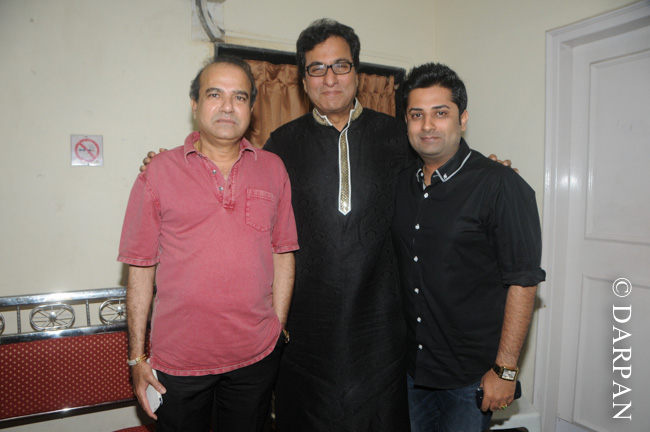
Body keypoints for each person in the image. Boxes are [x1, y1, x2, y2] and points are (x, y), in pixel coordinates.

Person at [117, 55, 299, 432]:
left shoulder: (273, 168)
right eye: (215, 94)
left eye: (239, 97)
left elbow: (283, 251)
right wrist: (136, 358)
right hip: (178, 364)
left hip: (257, 358)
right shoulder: (159, 172)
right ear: (195, 104)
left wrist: (278, 327)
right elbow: (139, 268)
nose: (228, 106)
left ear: (251, 107)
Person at [262, 19, 414, 431]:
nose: (330, 79)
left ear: (357, 72)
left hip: (381, 334)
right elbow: (238, 196)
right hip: (305, 337)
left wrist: (490, 173)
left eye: (340, 66)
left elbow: (446, 178)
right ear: (303, 79)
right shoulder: (280, 145)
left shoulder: (399, 137)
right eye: (317, 68)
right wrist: (175, 167)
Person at [391, 62, 546, 432]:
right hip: (413, 370)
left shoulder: (500, 185)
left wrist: (505, 371)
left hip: (471, 378)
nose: (428, 125)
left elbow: (523, 281)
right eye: (417, 115)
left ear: (462, 119)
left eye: (440, 113)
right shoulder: (400, 184)